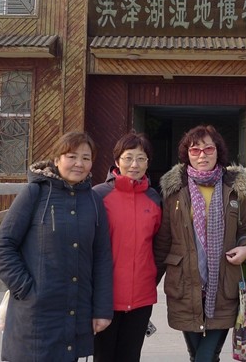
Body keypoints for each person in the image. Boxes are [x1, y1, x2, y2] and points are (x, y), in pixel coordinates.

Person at [0, 131, 113, 362]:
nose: (79, 163)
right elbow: (3, 244)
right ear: (57, 159)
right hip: (36, 312)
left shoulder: (94, 201)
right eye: (71, 156)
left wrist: (102, 309)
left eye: (86, 158)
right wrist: (26, 289)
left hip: (76, 308)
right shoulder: (34, 193)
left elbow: (102, 257)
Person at [153, 124, 246, 362]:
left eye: (208, 149)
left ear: (218, 151)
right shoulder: (174, 192)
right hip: (185, 286)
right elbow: (164, 242)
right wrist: (149, 284)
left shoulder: (234, 190)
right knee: (198, 356)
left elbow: (245, 231)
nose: (202, 155)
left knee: (205, 357)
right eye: (195, 150)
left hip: (223, 285)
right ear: (186, 155)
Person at [93, 131, 162, 362]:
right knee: (104, 356)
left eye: (141, 158)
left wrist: (153, 275)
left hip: (142, 295)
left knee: (130, 356)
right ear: (116, 161)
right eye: (128, 157)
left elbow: (159, 245)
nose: (135, 164)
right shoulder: (98, 195)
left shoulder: (154, 199)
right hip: (105, 297)